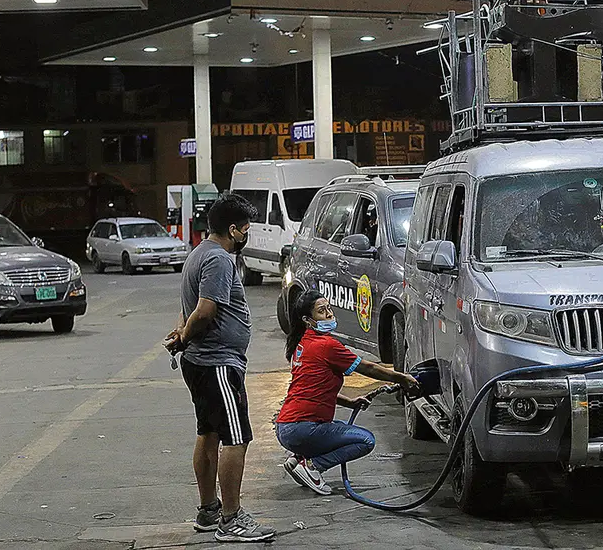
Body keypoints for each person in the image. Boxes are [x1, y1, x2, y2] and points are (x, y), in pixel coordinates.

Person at [163, 192, 276, 543]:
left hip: (204, 363)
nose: (247, 235)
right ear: (232, 229)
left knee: (208, 433)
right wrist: (184, 337)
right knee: (236, 438)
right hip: (216, 364)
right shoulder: (219, 259)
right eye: (245, 229)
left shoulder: (197, 254)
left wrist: (183, 333)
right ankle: (231, 519)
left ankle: (209, 510)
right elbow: (206, 309)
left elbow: (190, 308)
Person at [275, 290, 421, 495]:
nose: (329, 314)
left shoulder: (302, 344)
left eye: (328, 308)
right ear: (308, 320)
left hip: (286, 428)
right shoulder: (326, 345)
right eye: (321, 311)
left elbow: (313, 390)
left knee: (340, 430)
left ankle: (298, 458)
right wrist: (401, 377)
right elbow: (368, 368)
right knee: (365, 440)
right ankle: (313, 466)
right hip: (302, 429)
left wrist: (349, 402)